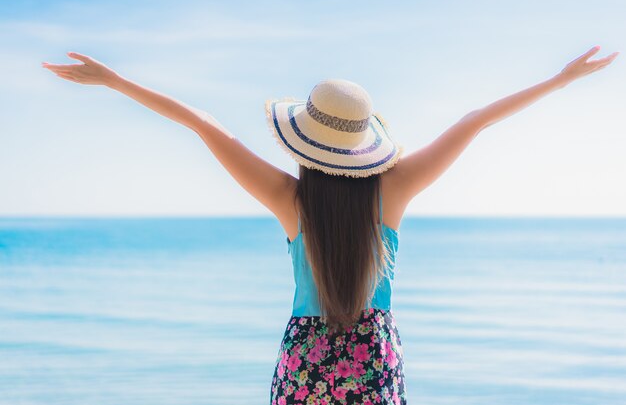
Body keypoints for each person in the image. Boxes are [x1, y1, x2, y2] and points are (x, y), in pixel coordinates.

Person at [42, 46, 619, 404]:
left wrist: (115, 81)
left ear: (306, 140)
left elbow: (203, 123)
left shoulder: (288, 198)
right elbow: (472, 123)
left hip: (305, 358)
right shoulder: (394, 190)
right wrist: (559, 80)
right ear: (365, 144)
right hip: (374, 355)